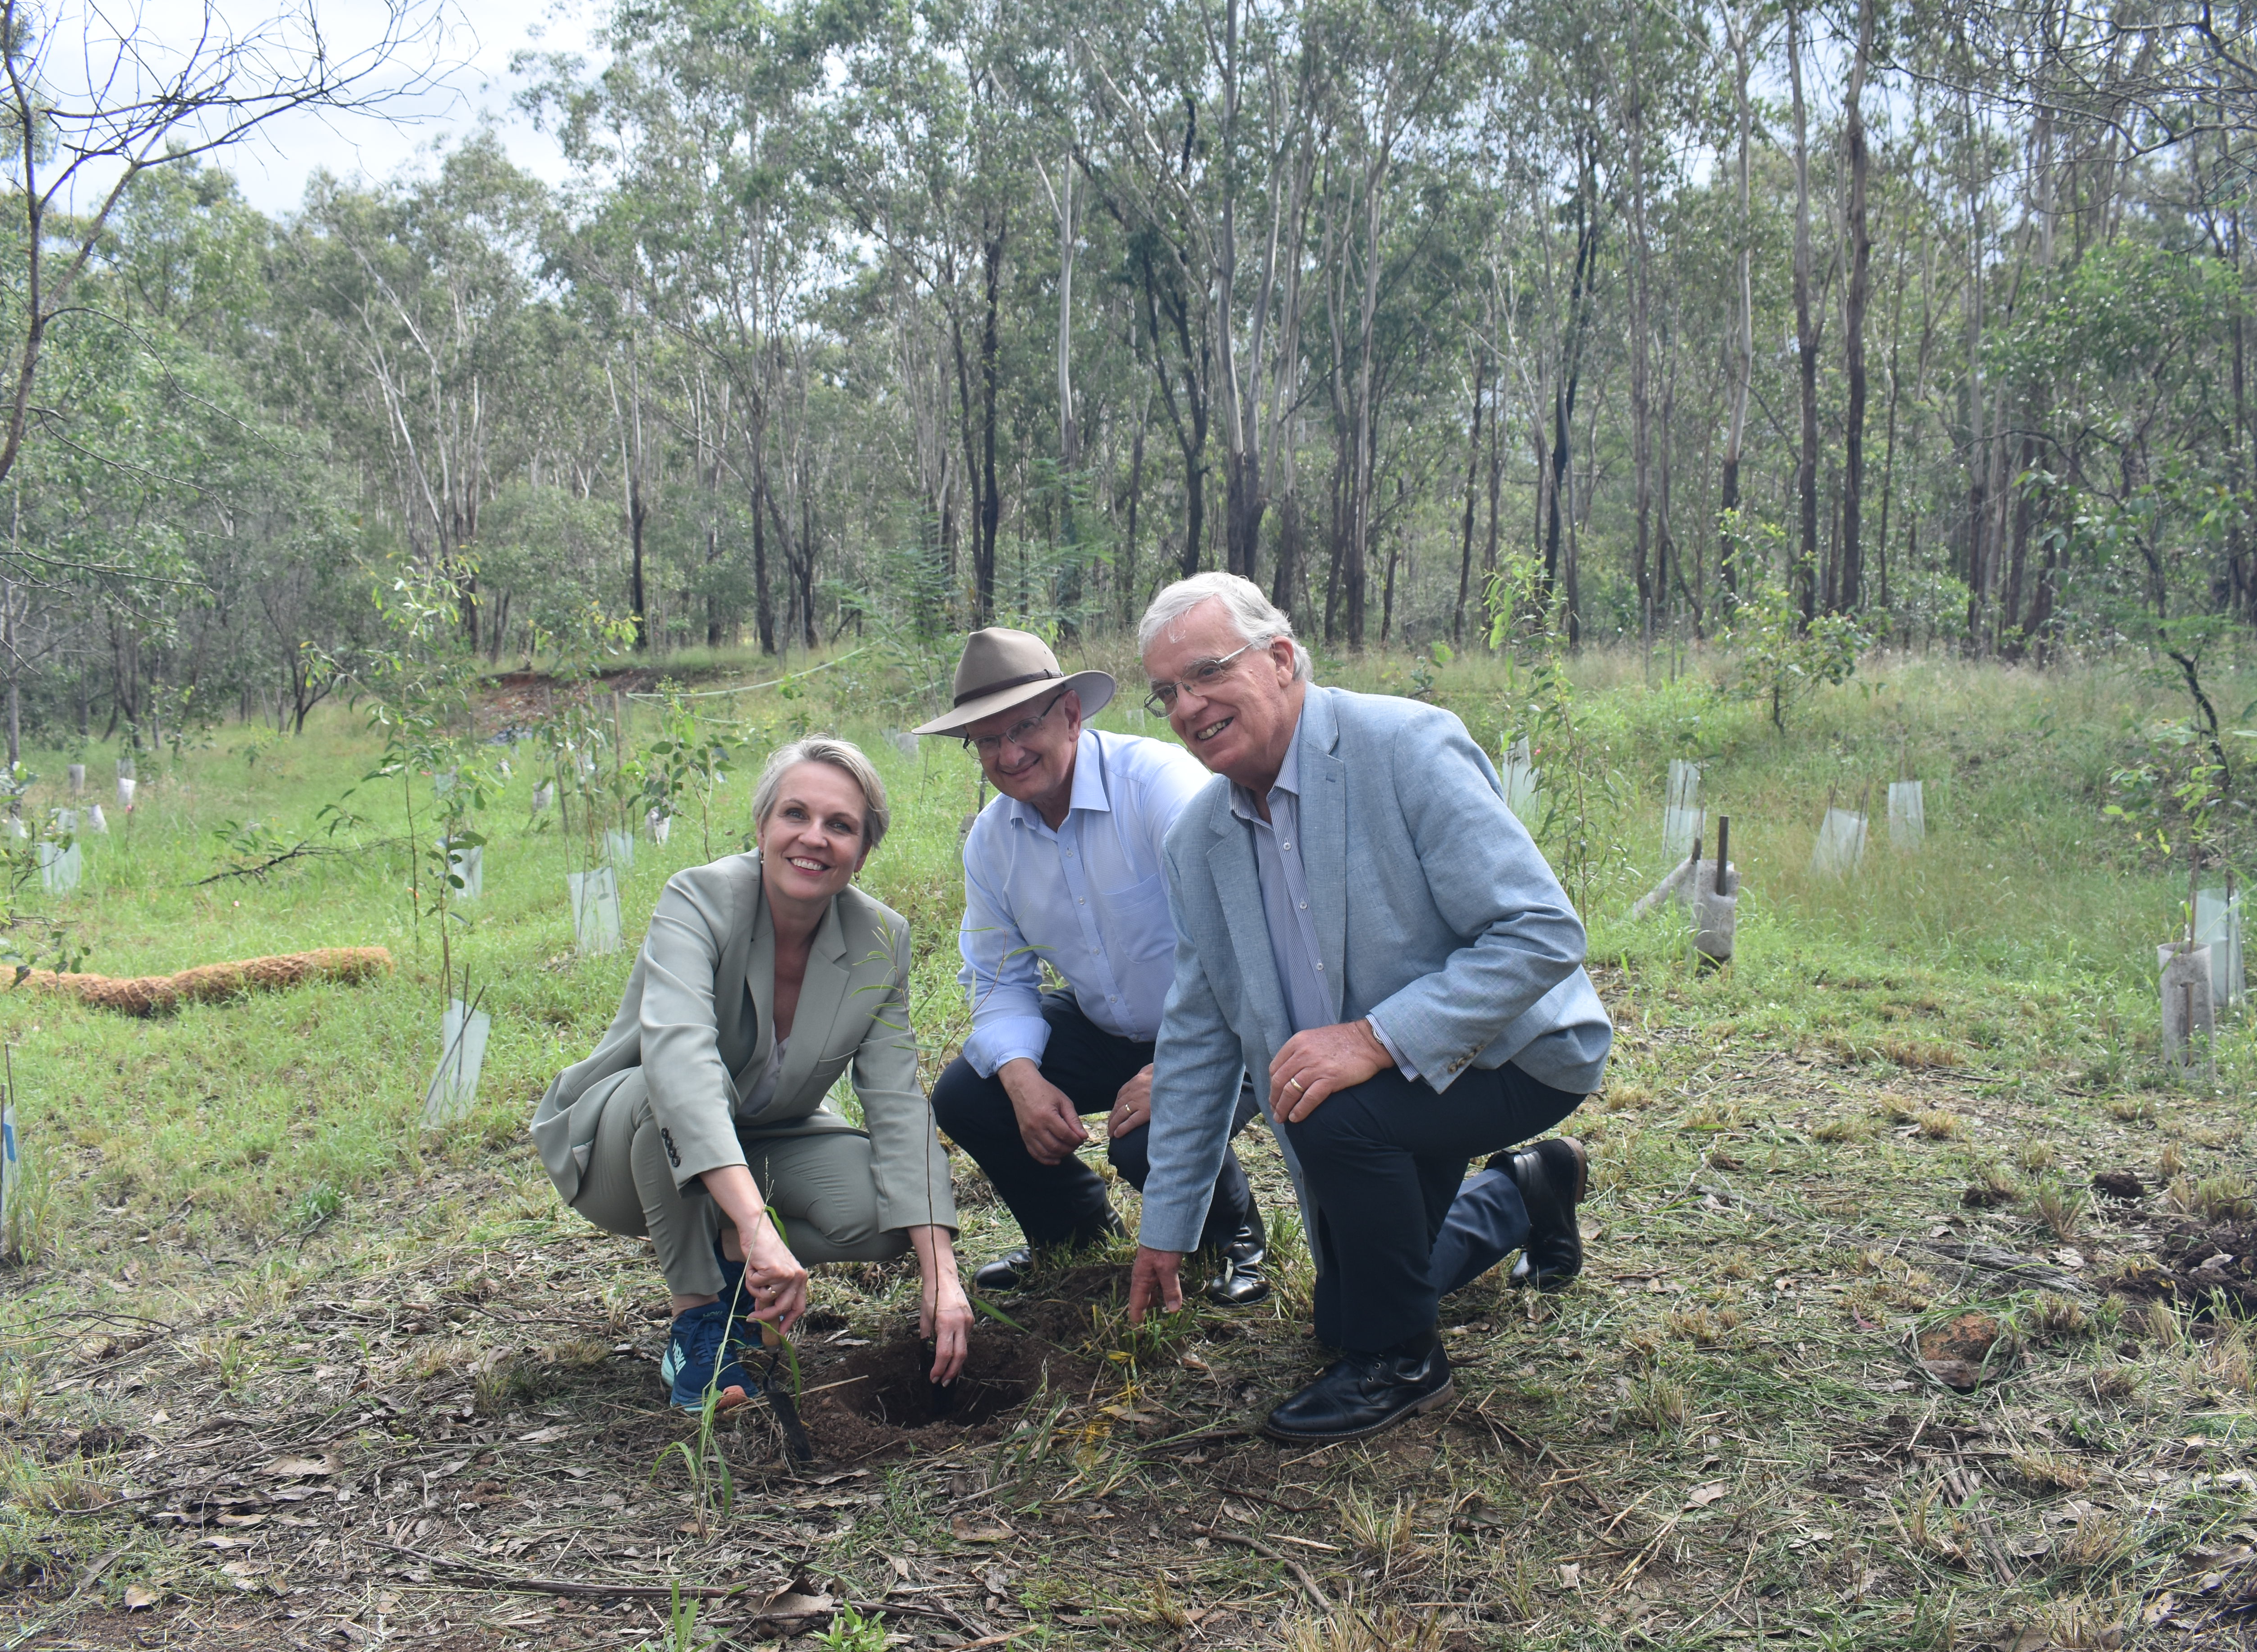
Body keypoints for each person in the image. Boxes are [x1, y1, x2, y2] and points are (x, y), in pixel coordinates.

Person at [1125, 573, 1614, 1444]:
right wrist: (1167, 1225)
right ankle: (1522, 1190)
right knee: (1340, 1314)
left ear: (1280, 660)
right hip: (1387, 1091)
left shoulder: (1406, 745)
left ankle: (1402, 1364)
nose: (1187, 706)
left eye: (1206, 673)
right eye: (1167, 692)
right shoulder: (1197, 841)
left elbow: (1540, 932)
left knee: (1330, 1108)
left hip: (1513, 1056)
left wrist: (1374, 1038)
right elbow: (1200, 1032)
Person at [528, 737, 969, 1411]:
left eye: (841, 825)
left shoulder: (881, 938)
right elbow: (681, 1064)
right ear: (762, 826)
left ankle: (734, 1253)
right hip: (627, 1150)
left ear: (864, 849)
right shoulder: (699, 899)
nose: (814, 839)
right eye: (796, 814)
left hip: (768, 1136)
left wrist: (942, 1275)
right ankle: (699, 1318)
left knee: (888, 1213)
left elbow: (897, 1104)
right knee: (664, 1087)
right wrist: (759, 1220)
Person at [914, 628, 1269, 1304]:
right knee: (970, 1093)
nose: (1010, 754)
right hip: (1111, 1024)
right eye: (988, 741)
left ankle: (1236, 1236)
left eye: (1023, 728)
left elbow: (1249, 934)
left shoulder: (1160, 788)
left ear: (1072, 715)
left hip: (1231, 1021)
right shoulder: (993, 843)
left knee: (1145, 1141)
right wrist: (1022, 1082)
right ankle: (1073, 1231)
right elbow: (995, 977)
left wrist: (1178, 1068)